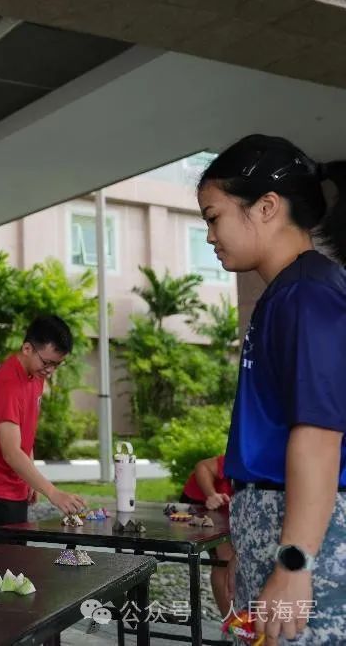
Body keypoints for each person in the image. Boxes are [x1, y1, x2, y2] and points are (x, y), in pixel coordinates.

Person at [197, 134, 346, 644]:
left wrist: (293, 562)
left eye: (214, 217)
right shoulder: (289, 292)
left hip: (305, 539)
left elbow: (319, 436)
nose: (210, 236)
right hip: (276, 525)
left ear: (265, 207)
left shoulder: (307, 294)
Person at [0, 315, 86, 543]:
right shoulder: (7, 385)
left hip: (13, 489)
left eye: (56, 364)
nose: (50, 370)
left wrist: (30, 479)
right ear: (27, 348)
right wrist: (53, 493)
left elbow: (24, 436)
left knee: (15, 561)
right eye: (47, 362)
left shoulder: (36, 375)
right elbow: (11, 452)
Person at [181, 455, 235, 616]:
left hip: (231, 508)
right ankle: (231, 622)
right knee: (225, 560)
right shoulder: (243, 456)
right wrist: (212, 494)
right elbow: (203, 466)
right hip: (202, 502)